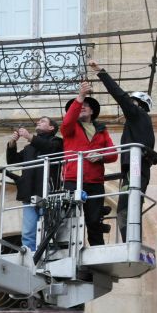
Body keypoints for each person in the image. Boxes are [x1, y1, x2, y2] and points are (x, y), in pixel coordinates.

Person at [88, 60, 157, 241]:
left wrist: (100, 72)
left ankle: (131, 243)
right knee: (129, 206)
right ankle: (132, 241)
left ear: (137, 104)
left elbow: (119, 95)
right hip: (136, 169)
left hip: (135, 169)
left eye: (131, 103)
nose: (127, 107)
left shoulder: (137, 115)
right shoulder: (142, 123)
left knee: (126, 208)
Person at [60, 80, 117, 246]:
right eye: (79, 105)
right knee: (69, 219)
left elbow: (113, 154)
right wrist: (80, 96)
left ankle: (98, 249)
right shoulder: (70, 128)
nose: (82, 106)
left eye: (86, 105)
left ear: (92, 111)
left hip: (94, 181)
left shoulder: (102, 130)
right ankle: (68, 251)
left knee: (94, 221)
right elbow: (68, 120)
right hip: (72, 179)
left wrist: (100, 155)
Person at [5, 117, 63, 251]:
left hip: (48, 191)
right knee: (28, 231)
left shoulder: (57, 142)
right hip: (29, 192)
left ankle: (48, 252)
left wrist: (29, 136)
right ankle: (29, 256)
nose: (38, 122)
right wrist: (12, 142)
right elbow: (12, 161)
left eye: (43, 121)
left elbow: (49, 148)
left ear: (51, 128)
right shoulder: (29, 148)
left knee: (48, 227)